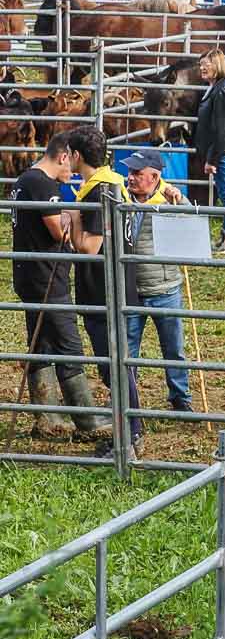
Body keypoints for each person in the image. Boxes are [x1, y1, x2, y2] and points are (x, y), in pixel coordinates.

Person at [10, 131, 111, 440]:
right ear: (64, 156)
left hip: (30, 274)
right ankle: (88, 421)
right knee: (69, 343)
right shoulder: (43, 184)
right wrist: (76, 215)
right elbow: (56, 230)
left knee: (40, 342)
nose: (73, 171)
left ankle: (47, 417)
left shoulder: (24, 181)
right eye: (72, 162)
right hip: (47, 277)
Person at [66, 126, 144, 457]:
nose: (67, 158)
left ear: (77, 156)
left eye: (70, 153)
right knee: (115, 363)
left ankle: (130, 436)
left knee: (113, 364)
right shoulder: (111, 184)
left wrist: (73, 221)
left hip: (104, 290)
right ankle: (129, 432)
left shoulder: (101, 192)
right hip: (113, 285)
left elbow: (90, 247)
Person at [123, 147, 193, 414]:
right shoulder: (120, 198)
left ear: (154, 177)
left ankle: (180, 396)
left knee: (173, 348)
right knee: (129, 350)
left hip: (165, 288)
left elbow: (191, 224)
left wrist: (181, 199)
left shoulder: (169, 199)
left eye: (137, 173)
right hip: (131, 288)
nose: (130, 177)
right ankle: (127, 397)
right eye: (130, 172)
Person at [192, 48, 225, 254]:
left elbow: (222, 129)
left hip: (222, 150)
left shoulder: (223, 89)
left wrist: (212, 159)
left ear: (219, 65)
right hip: (221, 149)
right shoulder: (217, 86)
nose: (203, 67)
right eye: (201, 64)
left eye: (208, 64)